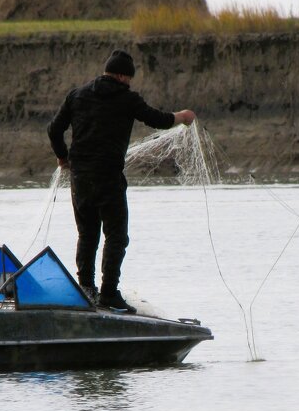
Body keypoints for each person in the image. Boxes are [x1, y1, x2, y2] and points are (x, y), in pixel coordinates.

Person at [47, 49, 195, 313]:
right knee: (116, 237)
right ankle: (109, 294)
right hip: (108, 178)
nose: (129, 83)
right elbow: (157, 120)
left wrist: (62, 157)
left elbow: (53, 129)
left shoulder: (77, 95)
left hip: (80, 178)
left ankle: (86, 290)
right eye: (129, 78)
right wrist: (182, 117)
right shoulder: (127, 99)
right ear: (122, 75)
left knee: (87, 234)